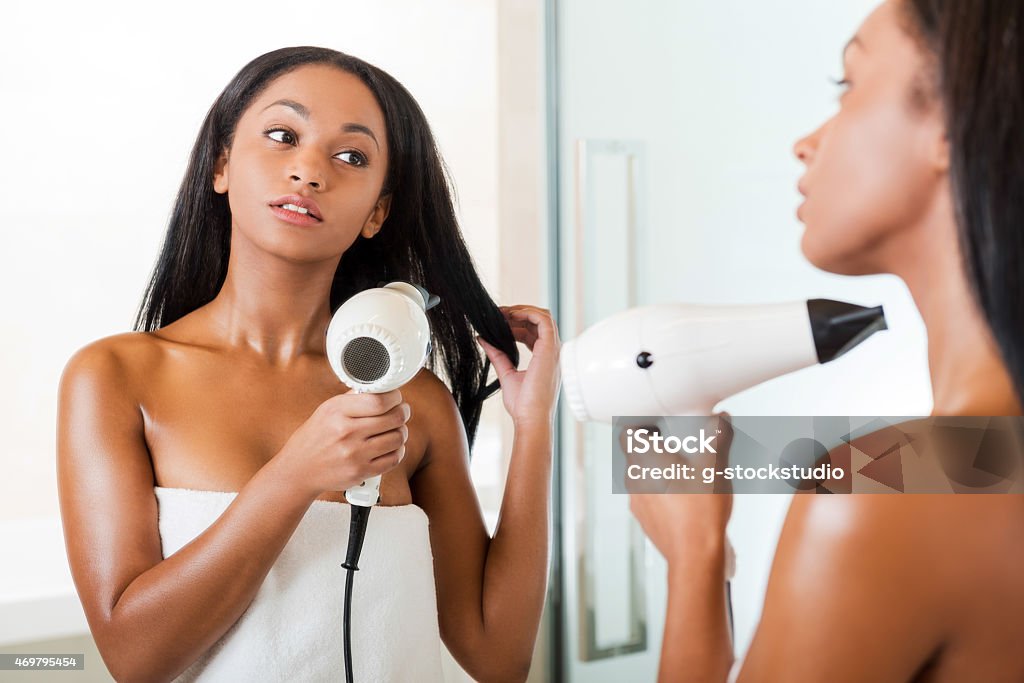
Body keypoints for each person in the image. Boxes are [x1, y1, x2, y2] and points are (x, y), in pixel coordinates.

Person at [56, 46, 560, 683]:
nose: (308, 170)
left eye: (351, 157)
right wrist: (295, 475)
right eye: (281, 135)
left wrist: (535, 424)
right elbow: (135, 659)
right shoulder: (116, 378)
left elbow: (498, 658)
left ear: (377, 211)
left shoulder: (413, 400)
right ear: (221, 165)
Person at [627, 1, 1024, 681]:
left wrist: (695, 555)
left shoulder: (891, 490)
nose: (806, 142)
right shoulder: (982, 461)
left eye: (848, 85)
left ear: (952, 123)